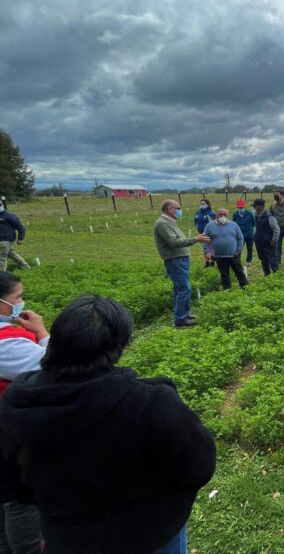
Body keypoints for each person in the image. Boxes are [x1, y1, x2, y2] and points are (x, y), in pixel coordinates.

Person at [0, 296, 217, 554]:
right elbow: (199, 465)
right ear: (120, 346)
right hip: (149, 534)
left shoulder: (19, 403)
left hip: (67, 540)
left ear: (57, 342)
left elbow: (14, 486)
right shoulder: (148, 402)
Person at [0, 273, 45, 554]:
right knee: (21, 495)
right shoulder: (5, 342)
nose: (21, 302)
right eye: (17, 298)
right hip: (10, 428)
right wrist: (42, 333)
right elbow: (49, 366)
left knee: (5, 493)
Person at [153, 200, 209, 328]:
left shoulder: (170, 222)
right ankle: (180, 319)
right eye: (178, 208)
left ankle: (184, 313)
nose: (180, 210)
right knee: (184, 288)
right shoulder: (162, 224)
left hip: (180, 258)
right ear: (170, 209)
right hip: (175, 259)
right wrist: (195, 239)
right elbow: (174, 242)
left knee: (180, 288)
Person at [203, 208, 248, 290]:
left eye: (225, 214)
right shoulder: (209, 226)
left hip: (234, 254)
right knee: (224, 274)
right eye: (220, 214)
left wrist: (238, 250)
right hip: (219, 255)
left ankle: (245, 287)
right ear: (216, 215)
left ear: (227, 215)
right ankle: (227, 289)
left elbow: (240, 238)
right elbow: (205, 240)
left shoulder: (234, 225)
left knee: (239, 271)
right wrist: (207, 251)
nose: (222, 216)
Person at [252, 199, 280, 276]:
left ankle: (276, 276)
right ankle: (267, 275)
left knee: (273, 260)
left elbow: (276, 230)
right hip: (259, 243)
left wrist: (273, 241)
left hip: (268, 243)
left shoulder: (269, 217)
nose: (254, 208)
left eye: (255, 206)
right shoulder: (256, 216)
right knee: (263, 260)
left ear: (260, 207)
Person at [0, 203, 30, 273]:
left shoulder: (9, 216)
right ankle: (26, 267)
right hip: (2, 241)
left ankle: (2, 275)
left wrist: (20, 238)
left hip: (5, 240)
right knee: (12, 254)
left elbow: (20, 227)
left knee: (1, 256)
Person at [232, 199, 255, 266]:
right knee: (239, 248)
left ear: (244, 207)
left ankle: (249, 260)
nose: (241, 209)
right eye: (239, 207)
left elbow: (253, 223)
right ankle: (238, 260)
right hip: (240, 235)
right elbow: (234, 224)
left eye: (242, 207)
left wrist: (249, 230)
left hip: (249, 235)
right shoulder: (235, 214)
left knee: (250, 248)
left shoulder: (250, 214)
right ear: (237, 207)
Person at [194, 199, 216, 267]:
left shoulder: (211, 213)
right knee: (204, 248)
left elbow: (214, 223)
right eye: (201, 204)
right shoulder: (198, 212)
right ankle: (207, 262)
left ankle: (212, 261)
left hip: (210, 233)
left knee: (211, 247)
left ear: (207, 204)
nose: (202, 205)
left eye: (203, 204)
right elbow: (195, 220)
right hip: (201, 233)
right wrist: (197, 227)